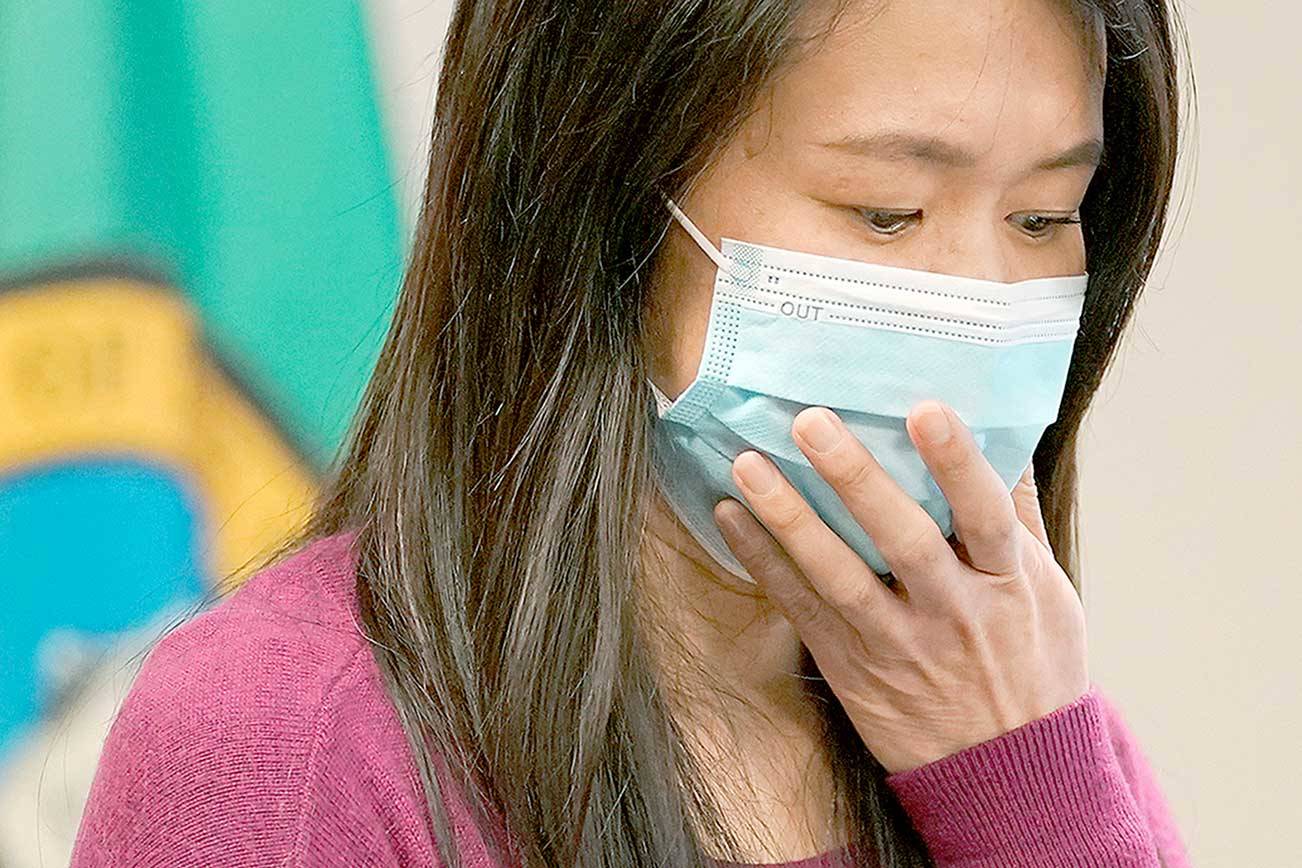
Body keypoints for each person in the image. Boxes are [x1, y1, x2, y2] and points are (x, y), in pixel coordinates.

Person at [71, 0, 1193, 865]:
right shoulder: (282, 739)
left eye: (1044, 217)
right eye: (885, 211)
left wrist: (1025, 794)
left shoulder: (1018, 721)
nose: (982, 298)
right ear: (602, 199)